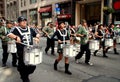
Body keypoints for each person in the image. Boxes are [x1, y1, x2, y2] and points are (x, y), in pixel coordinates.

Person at [7, 16, 40, 82]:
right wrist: (16, 37)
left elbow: (37, 34)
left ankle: (23, 72)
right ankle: (24, 77)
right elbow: (9, 34)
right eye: (22, 21)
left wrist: (37, 37)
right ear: (19, 23)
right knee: (23, 65)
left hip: (30, 51)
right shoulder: (16, 29)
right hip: (21, 51)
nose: (25, 22)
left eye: (25, 20)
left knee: (33, 66)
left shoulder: (30, 29)